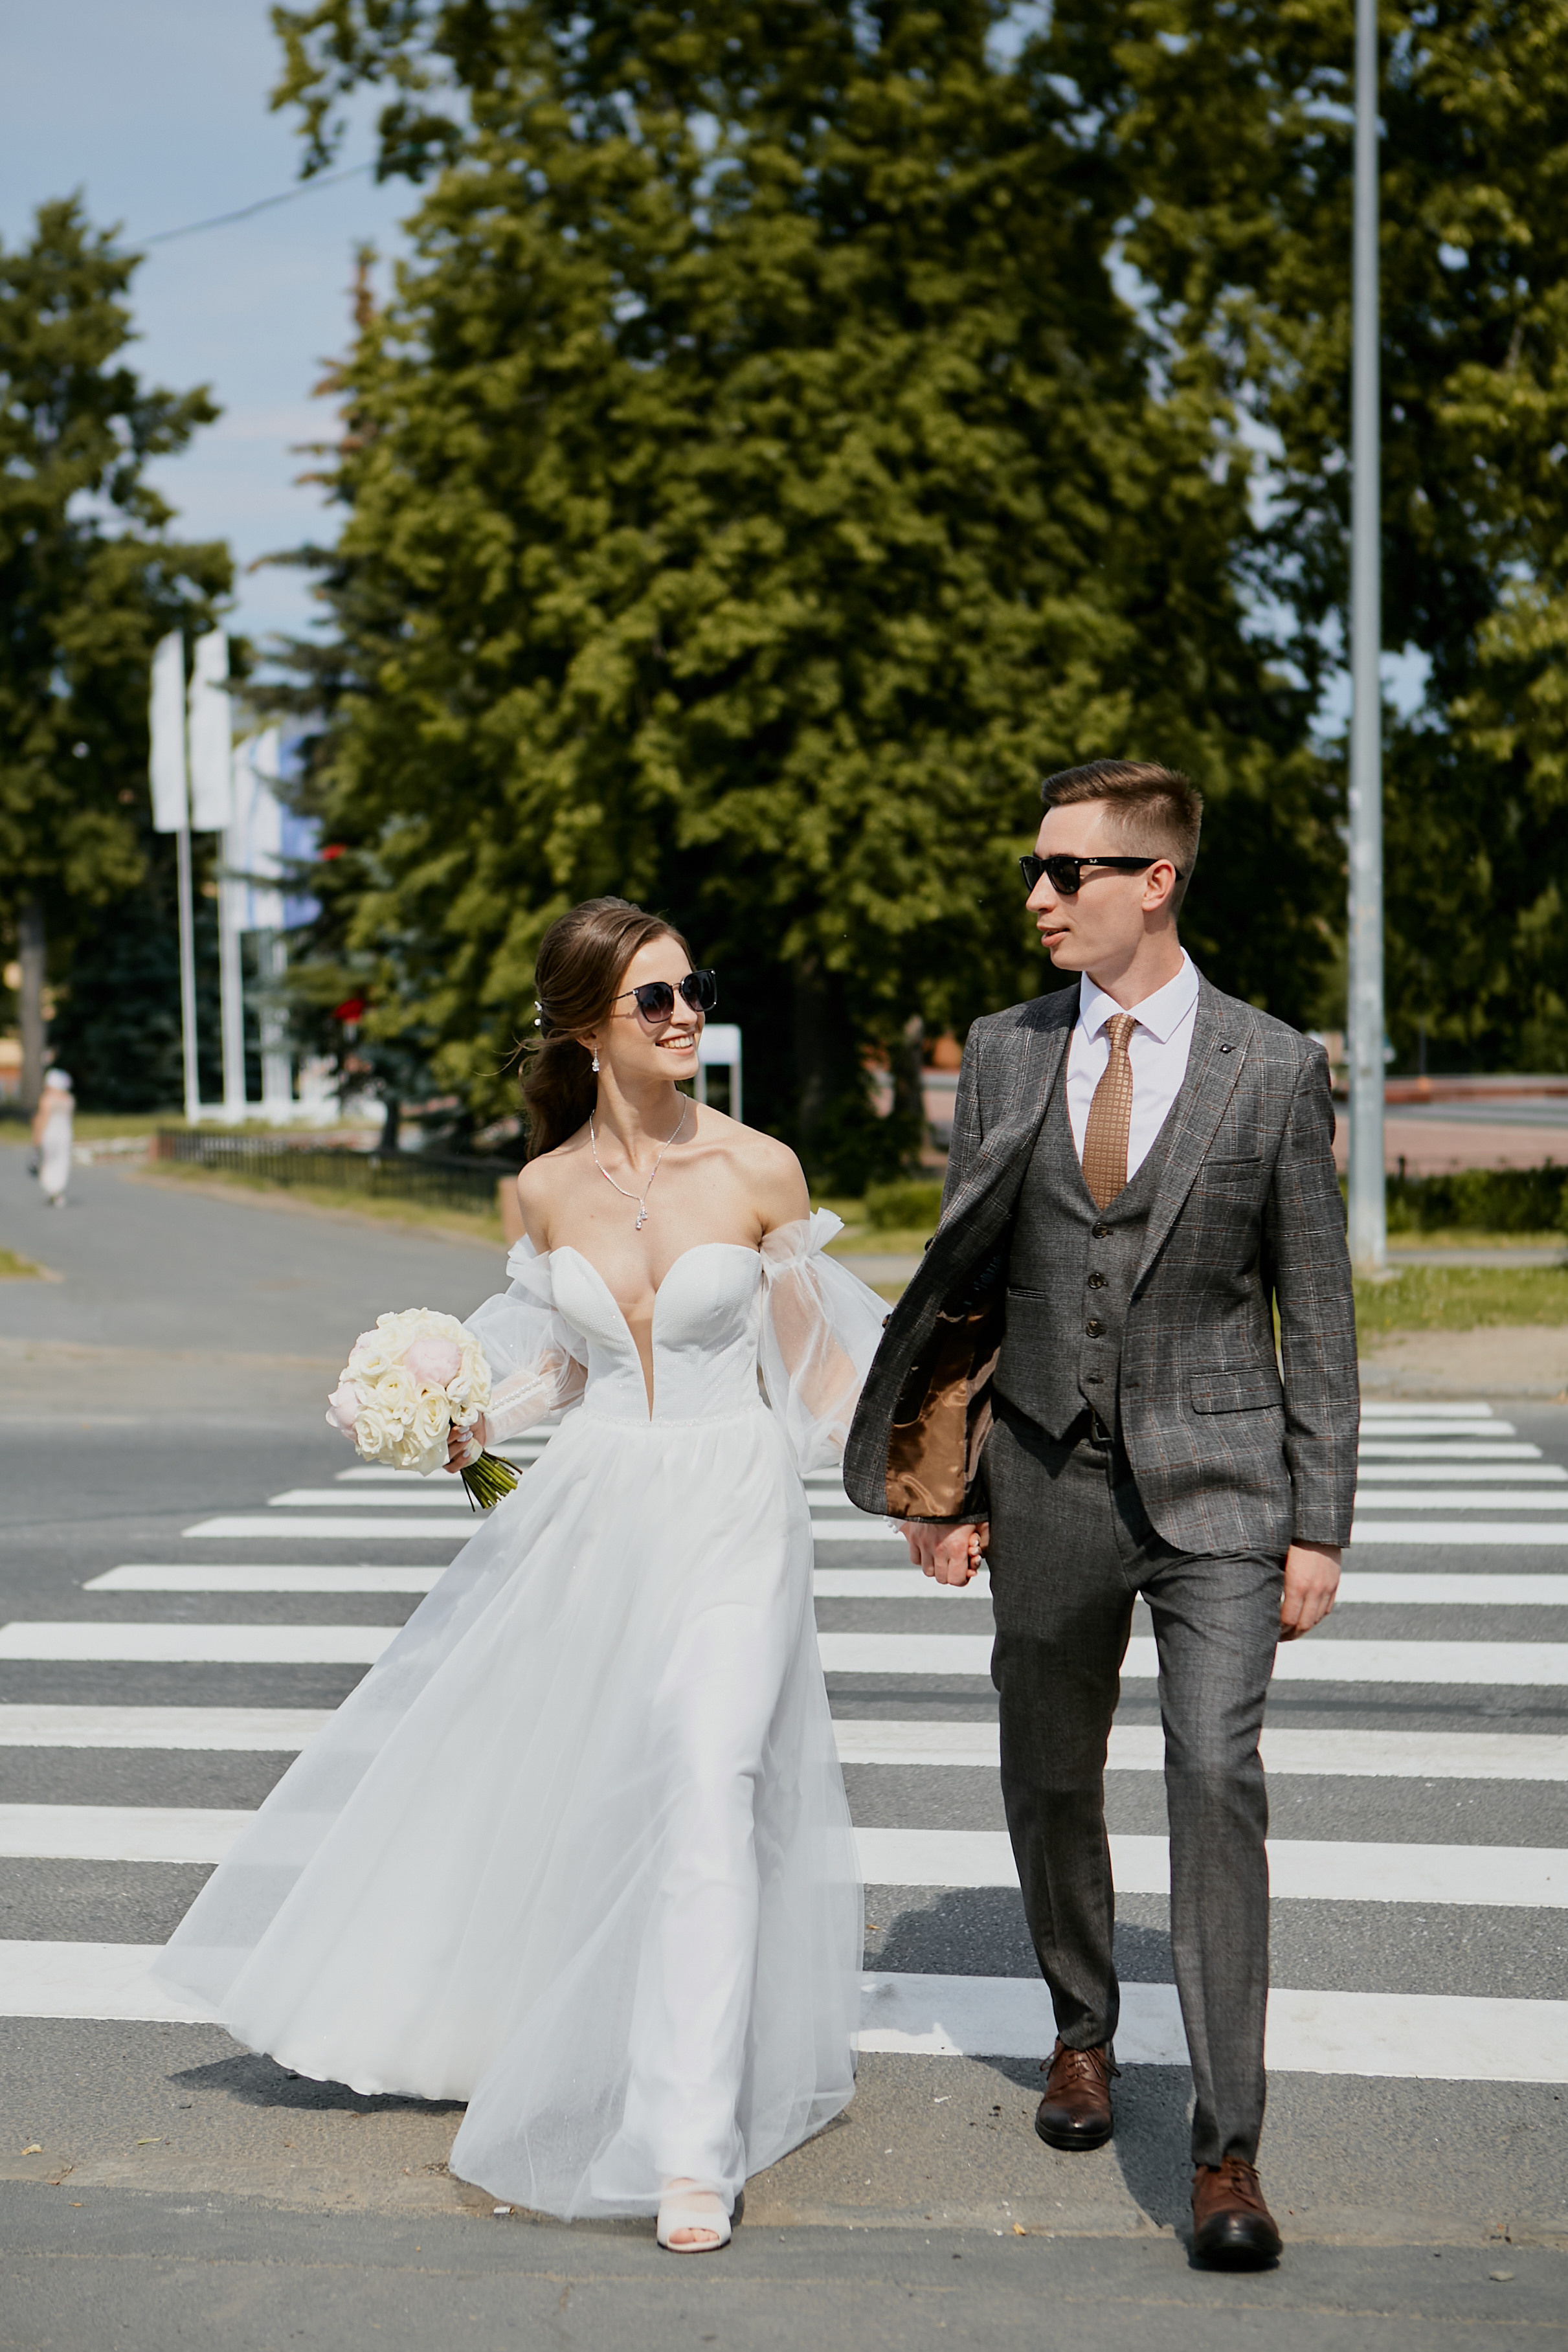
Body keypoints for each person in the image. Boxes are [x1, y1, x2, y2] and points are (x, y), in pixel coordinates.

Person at [153, 897, 886, 2253]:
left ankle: (687, 2141)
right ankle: (558, 2025)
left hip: (730, 1501)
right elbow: (568, 1361)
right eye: (653, 998)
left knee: (713, 1783)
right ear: (585, 1025)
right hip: (597, 1506)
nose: (685, 1015)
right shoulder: (544, 1188)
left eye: (691, 989)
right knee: (605, 1794)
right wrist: (459, 1413)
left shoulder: (759, 1168)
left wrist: (926, 1484)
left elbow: (820, 1364)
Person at [843, 760, 1358, 2268]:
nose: (1038, 897)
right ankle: (1083, 2028)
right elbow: (967, 1288)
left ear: (1157, 882)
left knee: (1216, 1777)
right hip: (1045, 1476)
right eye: (1037, 867)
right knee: (1052, 1776)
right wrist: (941, 1489)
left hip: (1221, 1490)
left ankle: (1229, 2151)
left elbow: (1314, 1315)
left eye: (1068, 871)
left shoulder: (1270, 1067)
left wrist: (1317, 1522)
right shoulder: (1005, 1054)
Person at [31, 1068, 73, 1205]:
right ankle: (58, 1189)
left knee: (49, 1160)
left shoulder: (47, 1099)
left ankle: (50, 1188)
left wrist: (36, 1137)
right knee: (62, 1161)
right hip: (65, 1134)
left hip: (50, 1134)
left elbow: (43, 1119)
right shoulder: (68, 1100)